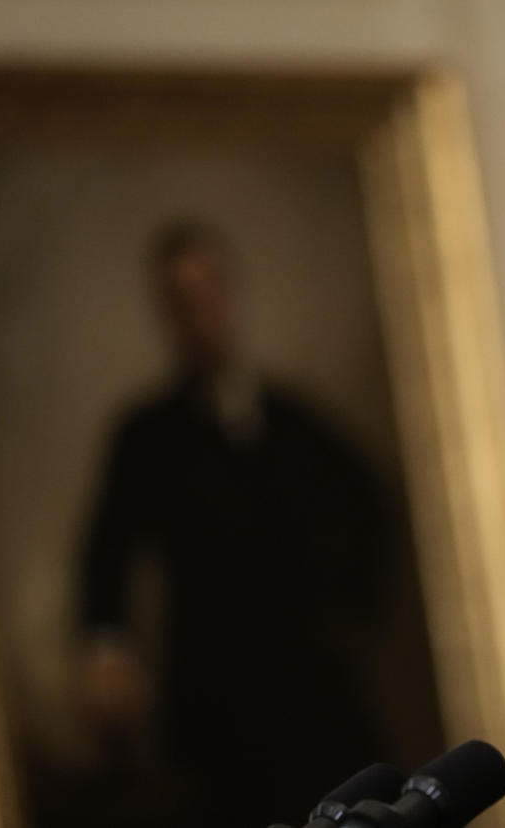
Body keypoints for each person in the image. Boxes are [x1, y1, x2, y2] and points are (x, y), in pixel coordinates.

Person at [75, 220, 393, 827]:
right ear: (167, 314)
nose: (201, 314)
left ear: (231, 295)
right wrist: (106, 647)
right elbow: (106, 551)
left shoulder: (293, 420)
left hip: (313, 696)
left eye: (209, 292)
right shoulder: (145, 436)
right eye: (181, 301)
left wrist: (347, 611)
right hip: (212, 704)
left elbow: (368, 508)